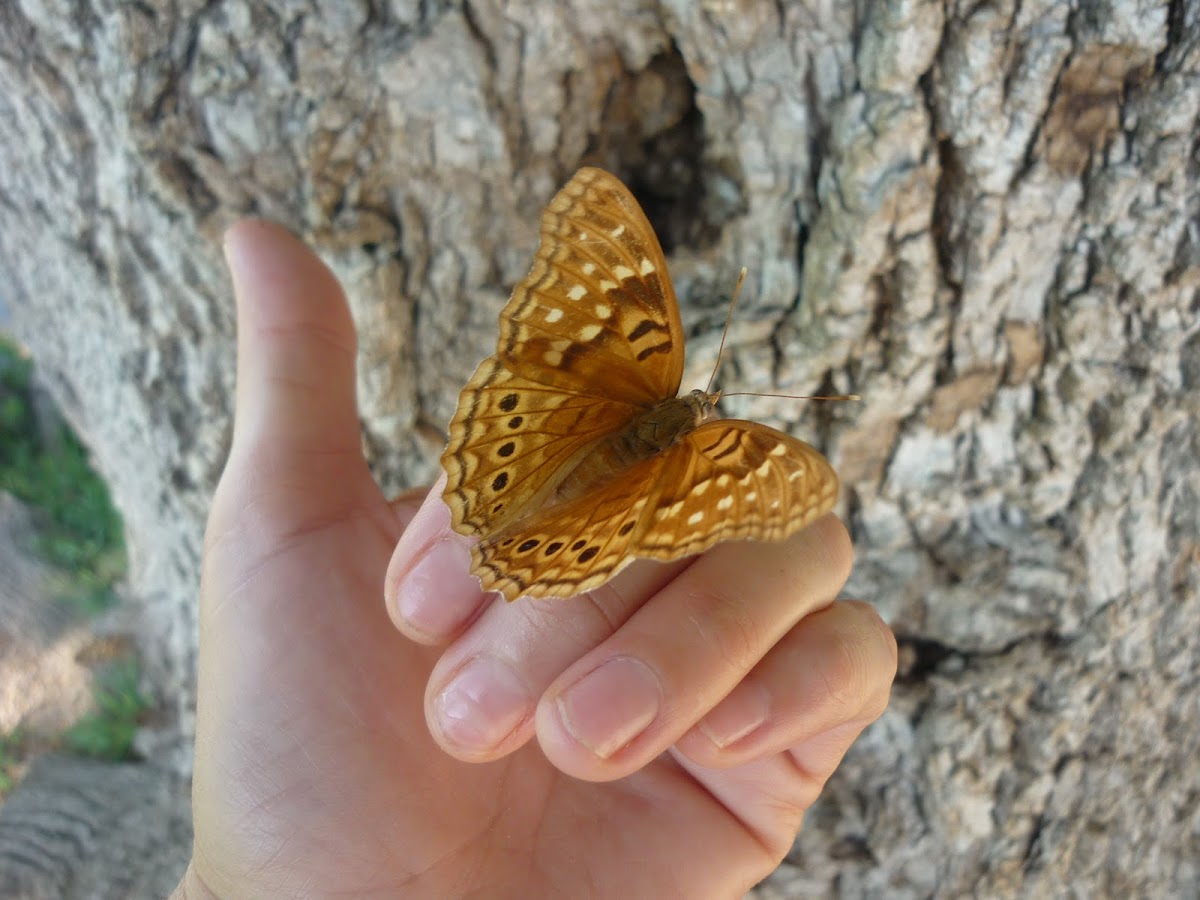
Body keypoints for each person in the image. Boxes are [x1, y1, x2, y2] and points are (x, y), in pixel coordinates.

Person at [170, 221, 897, 898]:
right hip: (581, 490)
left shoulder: (683, 407)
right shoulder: (720, 452)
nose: (705, 404)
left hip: (532, 435)